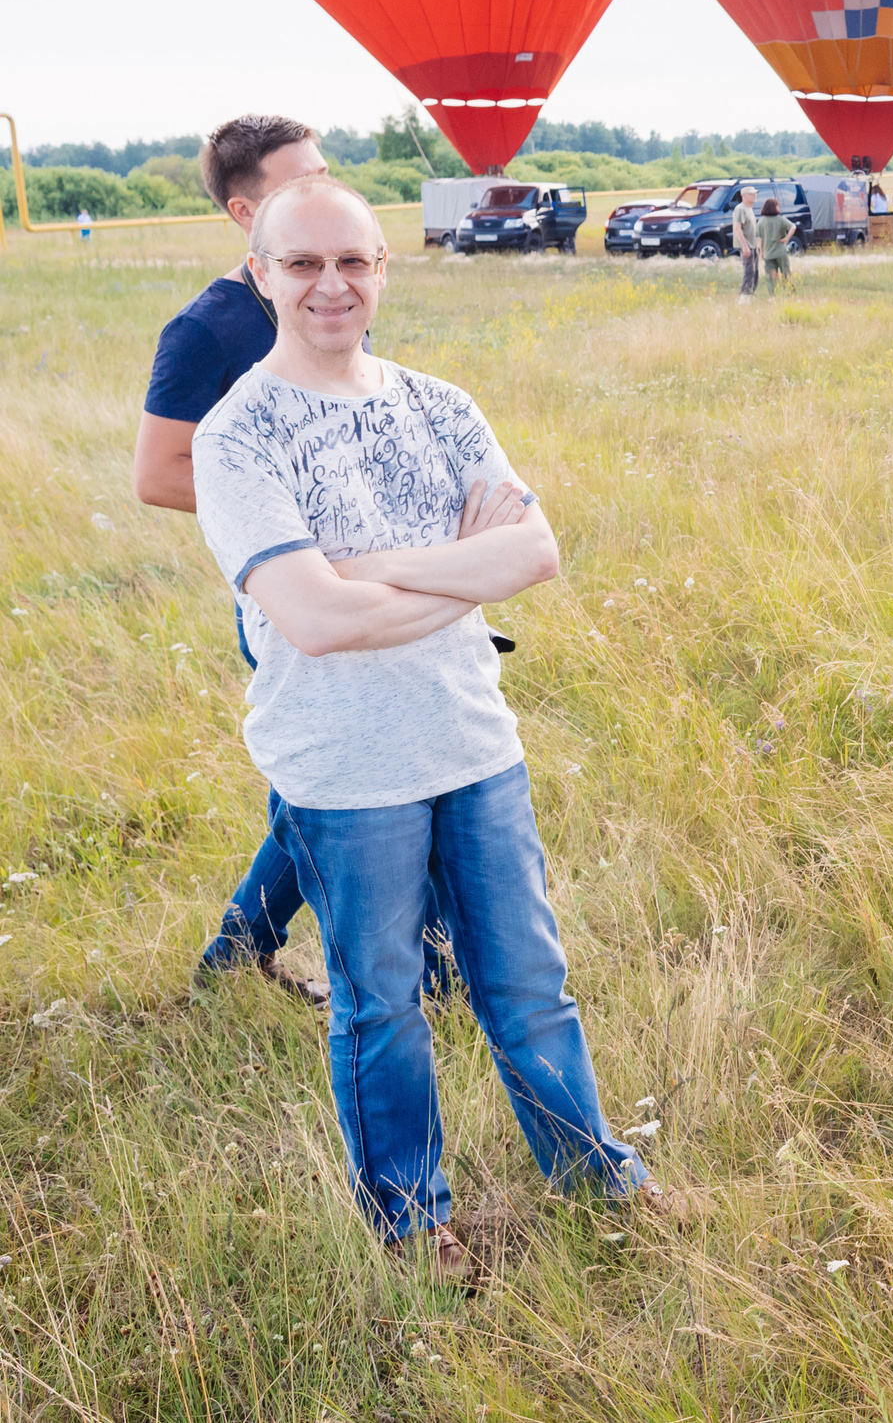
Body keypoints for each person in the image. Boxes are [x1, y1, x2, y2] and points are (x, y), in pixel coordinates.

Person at [189, 174, 688, 1281]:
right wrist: (464, 576)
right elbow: (312, 619)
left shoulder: (441, 402)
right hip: (342, 768)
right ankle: (410, 1221)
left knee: (527, 982)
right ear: (261, 273)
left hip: (473, 741)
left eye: (354, 260)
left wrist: (374, 571)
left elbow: (536, 554)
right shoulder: (239, 436)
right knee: (379, 1006)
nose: (333, 285)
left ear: (384, 267)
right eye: (304, 263)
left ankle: (592, 1170)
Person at [134, 114, 450, 1008]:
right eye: (293, 182)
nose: (322, 194)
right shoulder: (209, 328)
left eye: (326, 172)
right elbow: (158, 473)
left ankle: (243, 957)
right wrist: (293, 517)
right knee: (348, 783)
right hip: (290, 591)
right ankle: (416, 967)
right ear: (245, 213)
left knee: (362, 774)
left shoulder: (329, 289)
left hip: (374, 580)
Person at [756, 196, 795, 293]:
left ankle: (773, 296)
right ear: (774, 207)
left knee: (771, 277)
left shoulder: (761, 222)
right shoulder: (780, 219)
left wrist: (761, 252)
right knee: (786, 274)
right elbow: (793, 227)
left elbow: (759, 239)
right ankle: (790, 293)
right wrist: (787, 238)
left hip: (768, 254)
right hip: (780, 252)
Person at [731, 186, 760, 298]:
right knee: (749, 272)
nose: (754, 196)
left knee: (755, 272)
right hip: (746, 246)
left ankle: (751, 295)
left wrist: (757, 245)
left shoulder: (749, 208)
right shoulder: (740, 209)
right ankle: (744, 297)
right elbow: (737, 228)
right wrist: (744, 246)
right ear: (743, 196)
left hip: (753, 245)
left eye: (754, 193)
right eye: (751, 194)